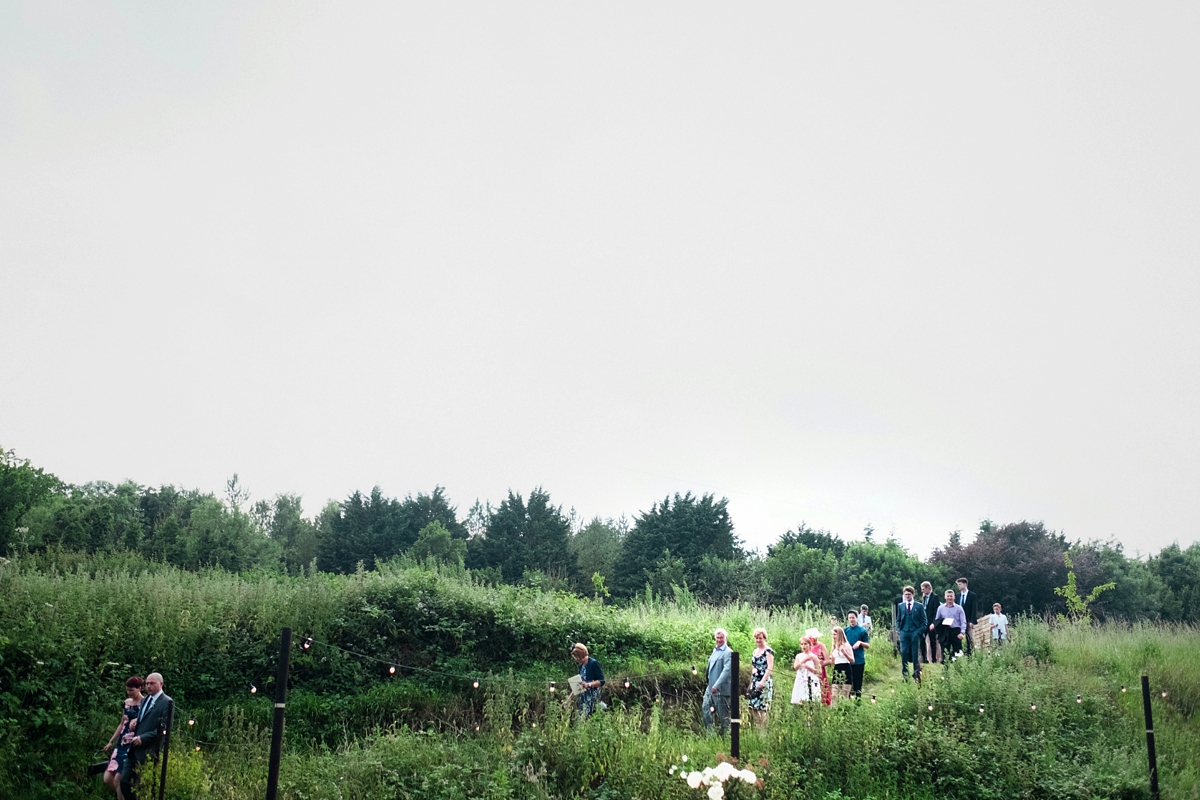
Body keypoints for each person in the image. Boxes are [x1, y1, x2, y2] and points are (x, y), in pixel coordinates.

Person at [120, 672, 171, 800]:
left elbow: (164, 728)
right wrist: (135, 722)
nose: (148, 686)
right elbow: (143, 719)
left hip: (149, 750)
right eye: (147, 683)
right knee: (124, 782)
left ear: (161, 684)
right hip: (133, 749)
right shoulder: (145, 700)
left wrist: (143, 738)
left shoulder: (167, 702)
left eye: (152, 683)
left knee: (141, 785)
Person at [102, 676, 144, 800]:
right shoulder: (126, 703)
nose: (129, 693)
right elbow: (122, 724)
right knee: (107, 778)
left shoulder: (145, 704)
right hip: (121, 743)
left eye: (131, 690)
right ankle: (127, 796)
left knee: (118, 780)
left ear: (139, 688)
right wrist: (111, 741)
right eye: (127, 690)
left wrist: (138, 721)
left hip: (132, 745)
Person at [702, 628, 732, 735]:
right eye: (717, 638)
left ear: (726, 638)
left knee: (723, 716)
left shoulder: (728, 653)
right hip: (710, 687)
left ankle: (727, 738)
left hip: (721, 690)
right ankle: (711, 736)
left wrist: (717, 685)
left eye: (721, 638)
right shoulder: (715, 651)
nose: (719, 640)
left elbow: (727, 671)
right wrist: (709, 684)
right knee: (706, 710)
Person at [896, 586, 928, 682]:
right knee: (904, 652)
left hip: (915, 631)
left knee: (915, 654)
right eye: (905, 594)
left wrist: (919, 631)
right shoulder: (900, 606)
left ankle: (916, 674)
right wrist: (899, 629)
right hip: (904, 632)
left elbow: (924, 621)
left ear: (913, 595)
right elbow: (898, 619)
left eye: (909, 594)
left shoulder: (919, 606)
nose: (907, 596)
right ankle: (905, 674)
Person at [746, 627, 774, 729]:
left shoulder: (768, 651)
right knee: (752, 706)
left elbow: (770, 667)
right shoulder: (755, 651)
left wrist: (762, 682)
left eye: (760, 638)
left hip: (764, 681)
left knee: (763, 708)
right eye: (756, 638)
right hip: (755, 680)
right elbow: (754, 667)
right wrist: (750, 683)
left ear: (764, 638)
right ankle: (759, 726)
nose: (758, 640)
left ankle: (763, 732)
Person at [570, 643, 605, 718]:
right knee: (581, 718)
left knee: (590, 718)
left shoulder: (593, 663)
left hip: (592, 698)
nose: (575, 659)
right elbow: (577, 685)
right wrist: (568, 700)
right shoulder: (581, 666)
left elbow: (601, 681)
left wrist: (588, 684)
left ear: (580, 655)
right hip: (582, 699)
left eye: (576, 656)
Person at [931, 590, 967, 663]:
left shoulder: (959, 608)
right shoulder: (940, 608)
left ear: (954, 597)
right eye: (948, 596)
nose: (949, 598)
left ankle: (958, 669)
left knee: (958, 652)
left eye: (951, 596)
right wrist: (934, 626)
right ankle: (946, 670)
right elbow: (937, 620)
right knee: (945, 652)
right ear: (945, 597)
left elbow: (963, 621)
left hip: (955, 631)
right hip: (945, 631)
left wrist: (962, 632)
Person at [843, 611, 870, 698]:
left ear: (856, 618)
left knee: (858, 682)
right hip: (847, 660)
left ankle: (858, 701)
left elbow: (867, 645)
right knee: (848, 682)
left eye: (853, 618)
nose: (851, 620)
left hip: (858, 660)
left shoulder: (862, 631)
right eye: (850, 618)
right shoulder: (845, 631)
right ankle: (848, 700)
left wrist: (860, 643)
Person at [806, 628, 833, 706]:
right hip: (809, 670)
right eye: (811, 638)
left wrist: (819, 664)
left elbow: (828, 660)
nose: (813, 639)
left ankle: (823, 704)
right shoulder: (807, 646)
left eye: (815, 637)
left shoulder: (821, 646)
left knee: (821, 687)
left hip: (819, 670)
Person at [790, 638, 822, 704]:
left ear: (810, 645)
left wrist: (809, 668)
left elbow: (819, 671)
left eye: (805, 644)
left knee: (811, 697)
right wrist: (804, 660)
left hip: (811, 678)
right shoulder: (798, 656)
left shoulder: (814, 656)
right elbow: (795, 667)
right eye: (802, 644)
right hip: (801, 679)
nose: (803, 646)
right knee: (800, 698)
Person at [829, 626, 854, 703]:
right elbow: (833, 661)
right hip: (837, 668)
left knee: (845, 694)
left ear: (839, 635)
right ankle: (834, 711)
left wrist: (845, 653)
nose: (833, 637)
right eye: (832, 634)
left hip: (846, 667)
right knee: (834, 694)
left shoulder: (846, 645)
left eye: (835, 634)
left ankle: (844, 710)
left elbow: (852, 660)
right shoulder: (834, 646)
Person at [957, 578, 978, 654]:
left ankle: (971, 653)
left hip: (968, 620)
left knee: (969, 638)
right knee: (958, 637)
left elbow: (974, 609)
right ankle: (959, 653)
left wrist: (972, 621)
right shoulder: (958, 595)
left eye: (960, 584)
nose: (958, 586)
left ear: (965, 584)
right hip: (959, 621)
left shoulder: (972, 595)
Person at [919, 581, 939, 664]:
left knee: (932, 640)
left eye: (923, 589)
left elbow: (936, 611)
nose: (922, 591)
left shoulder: (935, 597)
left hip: (931, 622)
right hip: (924, 623)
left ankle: (934, 659)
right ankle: (924, 658)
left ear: (928, 588)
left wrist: (934, 623)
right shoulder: (924, 598)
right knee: (922, 639)